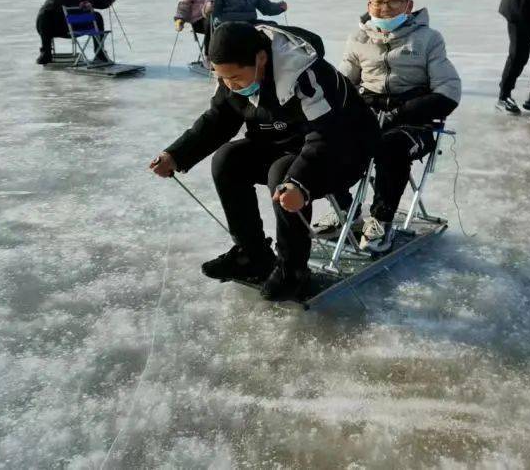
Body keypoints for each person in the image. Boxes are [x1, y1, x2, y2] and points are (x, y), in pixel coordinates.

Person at [150, 22, 380, 301]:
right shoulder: (234, 77)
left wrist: (299, 183)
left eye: (235, 77)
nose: (229, 85)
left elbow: (326, 135)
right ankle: (252, 254)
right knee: (228, 160)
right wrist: (176, 154)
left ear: (261, 58)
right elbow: (219, 119)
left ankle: (292, 270)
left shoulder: (305, 74)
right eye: (223, 78)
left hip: (344, 150)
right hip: (289, 145)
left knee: (283, 174)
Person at [326, 0, 461, 253]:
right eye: (378, 2)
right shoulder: (358, 38)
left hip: (414, 125)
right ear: (368, 4)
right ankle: (345, 210)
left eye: (393, 1)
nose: (384, 8)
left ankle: (381, 220)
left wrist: (399, 114)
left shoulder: (428, 39)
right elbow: (341, 84)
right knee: (323, 140)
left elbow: (448, 91)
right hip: (369, 116)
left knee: (390, 147)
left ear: (409, 6)